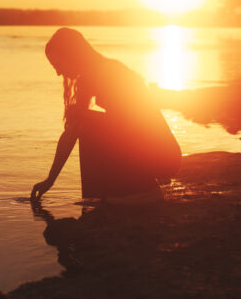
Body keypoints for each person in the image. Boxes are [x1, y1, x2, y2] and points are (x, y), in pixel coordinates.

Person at [30, 28, 181, 203]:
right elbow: (73, 131)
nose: (58, 73)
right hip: (163, 152)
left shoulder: (98, 74)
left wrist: (85, 117)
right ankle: (125, 189)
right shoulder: (104, 69)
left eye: (57, 65)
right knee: (84, 119)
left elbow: (130, 123)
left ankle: (131, 191)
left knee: (87, 124)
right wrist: (50, 180)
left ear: (70, 55)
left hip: (162, 155)